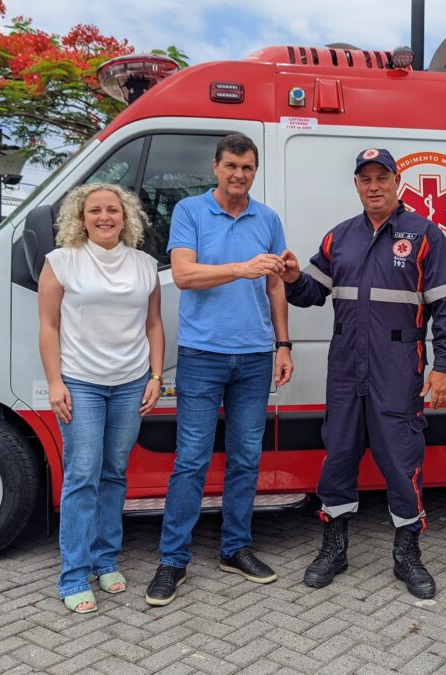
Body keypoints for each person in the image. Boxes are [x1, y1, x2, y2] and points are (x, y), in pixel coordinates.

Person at [281, 148, 446, 599]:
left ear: (397, 181)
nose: (373, 186)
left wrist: (443, 366)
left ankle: (407, 556)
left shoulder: (424, 235)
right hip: (345, 367)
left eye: (382, 177)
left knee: (402, 462)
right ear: (357, 185)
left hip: (397, 369)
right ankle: (334, 548)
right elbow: (310, 295)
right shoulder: (339, 237)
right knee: (338, 455)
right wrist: (289, 277)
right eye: (365, 179)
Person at [145, 133, 294, 607]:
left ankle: (235, 548)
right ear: (215, 167)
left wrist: (283, 344)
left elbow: (276, 287)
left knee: (246, 458)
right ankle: (172, 559)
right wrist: (240, 267)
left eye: (247, 167)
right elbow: (184, 275)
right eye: (231, 165)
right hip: (202, 355)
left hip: (254, 356)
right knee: (191, 460)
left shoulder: (267, 218)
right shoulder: (190, 212)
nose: (239, 175)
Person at [39, 183, 165, 614]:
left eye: (113, 210)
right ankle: (74, 575)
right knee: (82, 476)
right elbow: (49, 326)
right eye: (95, 210)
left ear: (126, 217)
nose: (105, 217)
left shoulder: (146, 265)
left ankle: (105, 560)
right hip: (82, 384)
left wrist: (155, 376)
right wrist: (55, 383)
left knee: (114, 473)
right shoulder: (61, 262)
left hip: (131, 383)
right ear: (81, 217)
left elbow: (154, 325)